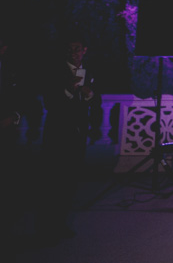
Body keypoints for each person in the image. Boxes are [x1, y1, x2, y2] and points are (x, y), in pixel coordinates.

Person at [37, 36, 99, 243]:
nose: (74, 52)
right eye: (70, 49)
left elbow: (94, 100)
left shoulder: (89, 71)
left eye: (77, 49)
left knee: (71, 179)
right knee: (54, 180)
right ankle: (47, 226)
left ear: (84, 50)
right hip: (58, 133)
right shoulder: (55, 71)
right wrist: (69, 90)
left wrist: (89, 95)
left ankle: (60, 223)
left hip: (78, 133)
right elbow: (50, 103)